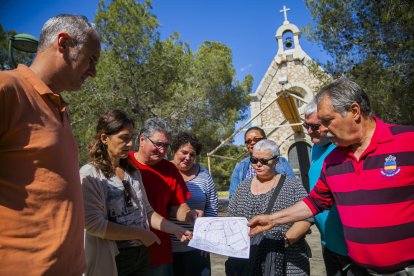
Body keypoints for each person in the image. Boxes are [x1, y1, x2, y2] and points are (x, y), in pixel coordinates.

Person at [248, 77, 414, 275]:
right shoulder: (333, 159)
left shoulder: (408, 141)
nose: (323, 129)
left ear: (354, 111)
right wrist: (273, 219)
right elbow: (315, 202)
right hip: (356, 268)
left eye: (327, 121)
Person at [0, 14, 100, 275]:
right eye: (91, 60)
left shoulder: (60, 109)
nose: (94, 72)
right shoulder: (8, 89)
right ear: (64, 43)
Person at [81, 110, 192, 276]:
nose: (129, 144)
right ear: (105, 138)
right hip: (111, 258)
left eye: (130, 138)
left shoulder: (132, 172)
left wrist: (176, 229)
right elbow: (93, 225)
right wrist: (141, 234)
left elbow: (146, 211)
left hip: (140, 257)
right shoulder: (90, 174)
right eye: (124, 138)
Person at [227, 139, 311, 275]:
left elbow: (306, 219)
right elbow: (231, 219)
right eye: (254, 160)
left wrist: (282, 242)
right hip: (249, 259)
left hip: (286, 258)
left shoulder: (292, 185)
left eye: (264, 161)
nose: (258, 165)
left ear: (277, 161)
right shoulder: (242, 188)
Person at [129, 118, 201, 276]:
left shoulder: (170, 170)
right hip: (126, 251)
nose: (162, 151)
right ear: (142, 139)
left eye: (166, 146)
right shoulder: (124, 163)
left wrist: (189, 214)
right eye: (158, 144)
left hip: (159, 251)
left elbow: (178, 206)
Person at [303, 100, 350, 275]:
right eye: (306, 125)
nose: (309, 131)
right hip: (327, 243)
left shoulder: (343, 147)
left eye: (314, 126)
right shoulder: (314, 147)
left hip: (349, 248)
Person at [170, 131, 219, 276]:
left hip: (197, 248)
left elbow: (212, 206)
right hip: (168, 248)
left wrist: (206, 238)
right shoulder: (163, 171)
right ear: (174, 150)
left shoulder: (203, 174)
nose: (188, 158)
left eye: (192, 155)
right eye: (184, 152)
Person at [229, 127, 296, 199]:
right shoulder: (241, 166)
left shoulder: (281, 162)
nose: (252, 142)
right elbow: (233, 197)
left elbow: (293, 189)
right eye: (248, 141)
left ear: (265, 139)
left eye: (256, 139)